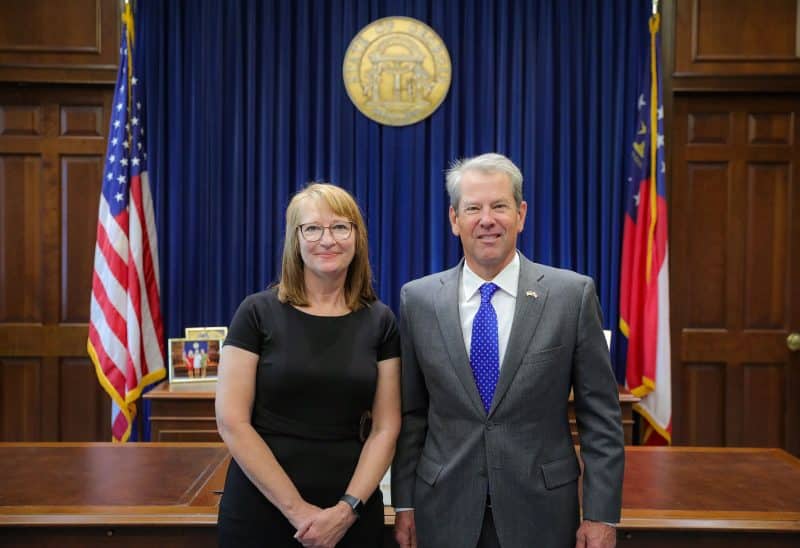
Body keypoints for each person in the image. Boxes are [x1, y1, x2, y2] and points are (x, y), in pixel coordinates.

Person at [391, 153, 624, 548]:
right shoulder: (419, 300)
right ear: (453, 219)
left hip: (542, 511)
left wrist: (601, 514)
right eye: (473, 208)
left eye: (499, 206)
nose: (487, 219)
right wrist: (404, 504)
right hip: (443, 509)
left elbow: (600, 417)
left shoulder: (571, 295)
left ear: (521, 214)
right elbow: (413, 415)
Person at [216, 183, 401, 548]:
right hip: (262, 509)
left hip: (351, 513)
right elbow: (232, 421)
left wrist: (346, 510)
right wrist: (297, 510)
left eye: (340, 227)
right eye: (312, 228)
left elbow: (386, 427)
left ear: (357, 238)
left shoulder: (381, 321)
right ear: (295, 240)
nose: (327, 239)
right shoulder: (256, 313)